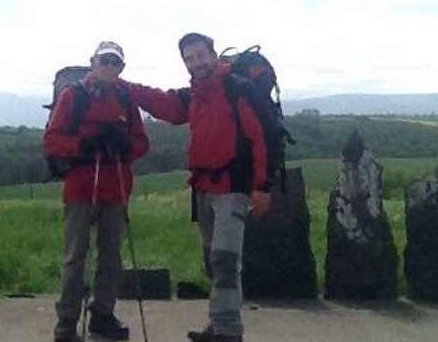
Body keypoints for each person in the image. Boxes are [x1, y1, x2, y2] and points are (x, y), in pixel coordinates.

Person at [118, 32, 270, 342]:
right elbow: (165, 105)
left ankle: (228, 331)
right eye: (189, 58)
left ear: (213, 55)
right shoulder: (195, 94)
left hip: (232, 187)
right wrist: (123, 86)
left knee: (225, 261)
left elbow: (260, 138)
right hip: (203, 187)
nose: (196, 62)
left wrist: (262, 186)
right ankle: (219, 324)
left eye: (201, 55)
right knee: (213, 260)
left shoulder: (235, 88)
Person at [43, 41, 149, 342]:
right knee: (76, 257)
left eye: (116, 63)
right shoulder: (73, 96)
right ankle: (66, 325)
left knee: (111, 257)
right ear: (93, 62)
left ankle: (102, 316)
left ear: (122, 69)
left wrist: (125, 145)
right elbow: (51, 141)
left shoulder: (126, 100)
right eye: (105, 61)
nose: (110, 67)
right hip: (80, 188)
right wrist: (84, 145)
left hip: (115, 187)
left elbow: (142, 143)